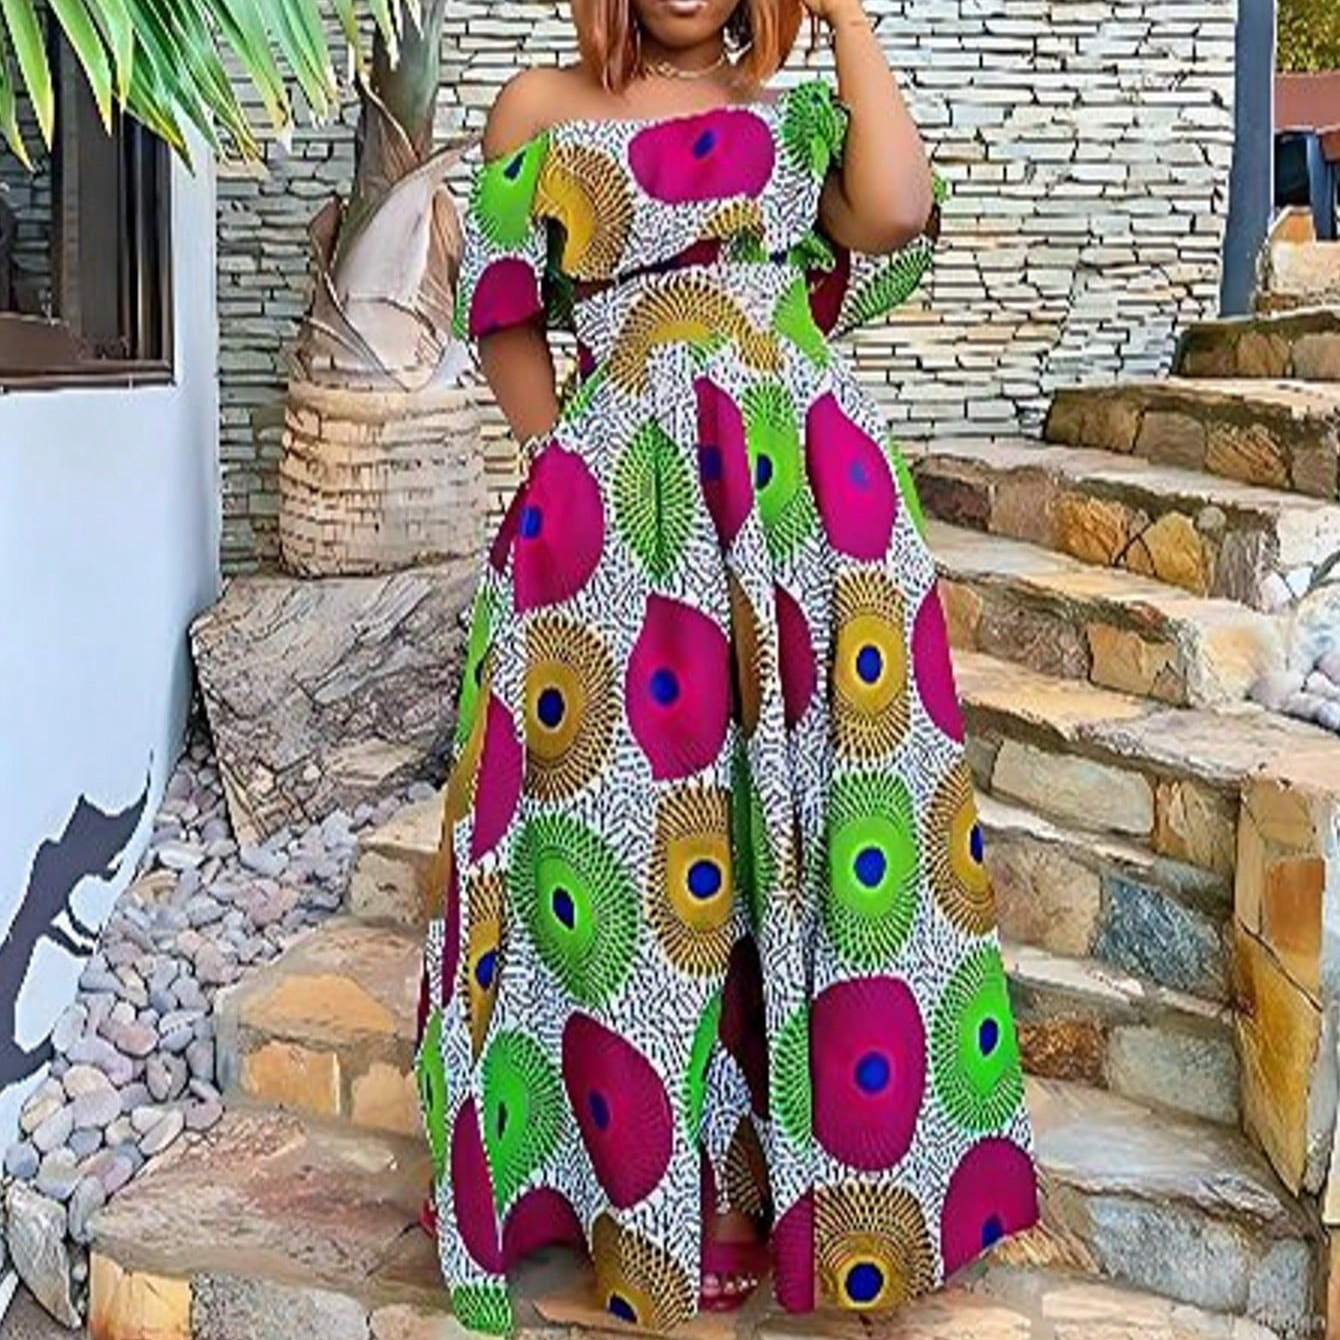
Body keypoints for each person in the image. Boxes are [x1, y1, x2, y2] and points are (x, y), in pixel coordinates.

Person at [415, 0, 1039, 1332]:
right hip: (621, 515)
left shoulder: (797, 115)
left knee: (817, 836)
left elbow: (895, 209)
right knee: (629, 843)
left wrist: (846, 14)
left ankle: (789, 1191)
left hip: (806, 510)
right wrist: (560, 467)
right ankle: (642, 1193)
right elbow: (505, 310)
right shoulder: (540, 108)